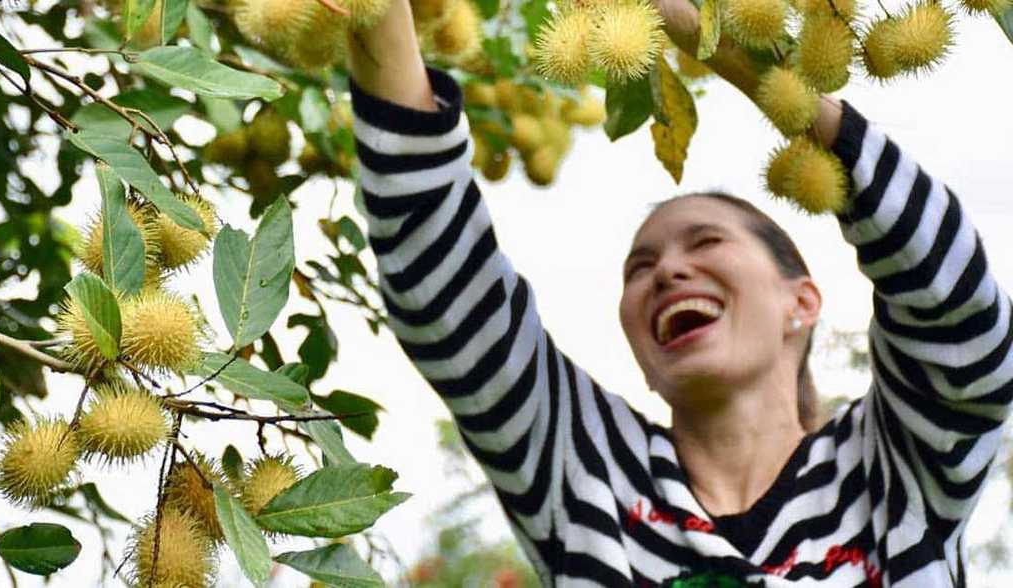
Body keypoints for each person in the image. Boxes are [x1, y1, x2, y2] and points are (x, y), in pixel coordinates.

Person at [344, 0, 1013, 585]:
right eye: (639, 268)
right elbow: (447, 290)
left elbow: (957, 307)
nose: (666, 272)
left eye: (705, 243)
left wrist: (722, 46)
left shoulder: (894, 472)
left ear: (801, 302)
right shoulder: (587, 472)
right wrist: (375, 22)